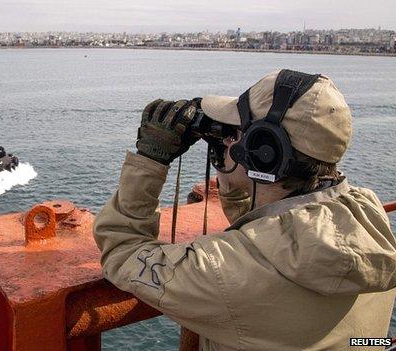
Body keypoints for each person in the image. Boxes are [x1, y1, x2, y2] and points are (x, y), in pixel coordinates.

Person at [93, 69, 396, 350]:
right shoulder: (368, 215)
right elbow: (276, 233)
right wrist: (234, 171)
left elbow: (122, 250)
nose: (226, 139)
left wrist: (151, 158)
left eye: (235, 132)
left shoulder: (224, 273)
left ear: (266, 153)